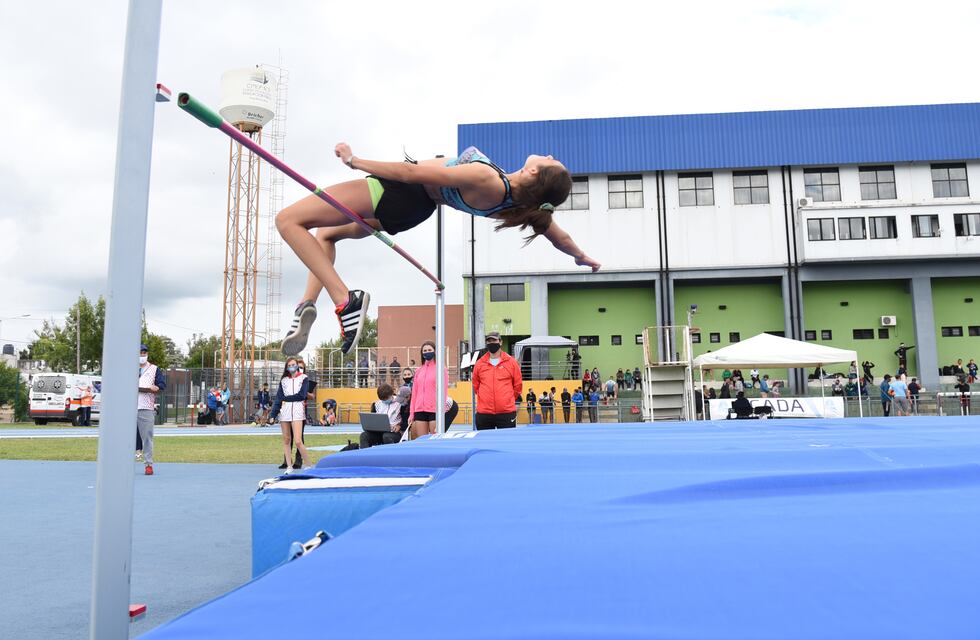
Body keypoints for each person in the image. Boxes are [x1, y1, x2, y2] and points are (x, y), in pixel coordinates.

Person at [276, 145, 600, 358]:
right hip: (410, 212)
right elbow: (559, 236)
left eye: (551, 161)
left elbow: (410, 173)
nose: (547, 154)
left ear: (534, 174)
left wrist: (354, 161)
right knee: (325, 235)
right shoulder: (515, 203)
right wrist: (581, 257)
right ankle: (307, 303)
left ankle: (346, 301)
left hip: (399, 192)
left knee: (288, 220)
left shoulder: (486, 177)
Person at [471, 332, 522, 430]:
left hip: (506, 412)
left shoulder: (511, 362)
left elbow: (518, 386)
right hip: (484, 413)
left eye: (494, 340)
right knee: (484, 444)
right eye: (489, 341)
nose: (491, 343)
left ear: (501, 342)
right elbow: (476, 385)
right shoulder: (479, 363)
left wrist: (507, 399)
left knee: (506, 444)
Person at [270, 357, 312, 473]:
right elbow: (279, 399)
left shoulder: (304, 378)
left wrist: (286, 398)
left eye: (294, 364)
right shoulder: (284, 380)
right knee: (286, 439)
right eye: (290, 365)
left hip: (298, 412)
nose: (292, 366)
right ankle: (289, 466)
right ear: (287, 367)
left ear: (297, 366)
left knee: (298, 440)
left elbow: (302, 395)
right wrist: (273, 414)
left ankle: (308, 464)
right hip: (285, 412)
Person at [408, 341, 457, 439]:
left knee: (435, 440)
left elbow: (443, 393)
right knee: (421, 441)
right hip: (419, 410)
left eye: (429, 350)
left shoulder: (441, 369)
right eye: (424, 350)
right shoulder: (418, 371)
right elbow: (414, 394)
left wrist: (441, 413)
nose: (427, 352)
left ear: (435, 351)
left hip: (434, 410)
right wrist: (412, 413)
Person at [137, 344, 166, 476]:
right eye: (140, 352)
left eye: (144, 353)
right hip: (126, 407)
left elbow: (162, 385)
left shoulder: (154, 369)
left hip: (145, 407)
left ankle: (148, 464)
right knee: (121, 436)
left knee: (147, 437)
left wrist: (156, 387)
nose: (142, 355)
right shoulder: (128, 367)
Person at [362, 383, 404, 449]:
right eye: (382, 400)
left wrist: (399, 427)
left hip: (394, 433)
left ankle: (389, 457)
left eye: (386, 399)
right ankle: (364, 456)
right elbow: (373, 420)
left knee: (386, 436)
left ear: (391, 394)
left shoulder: (400, 403)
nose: (384, 401)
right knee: (364, 435)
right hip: (379, 433)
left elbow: (406, 421)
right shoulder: (376, 404)